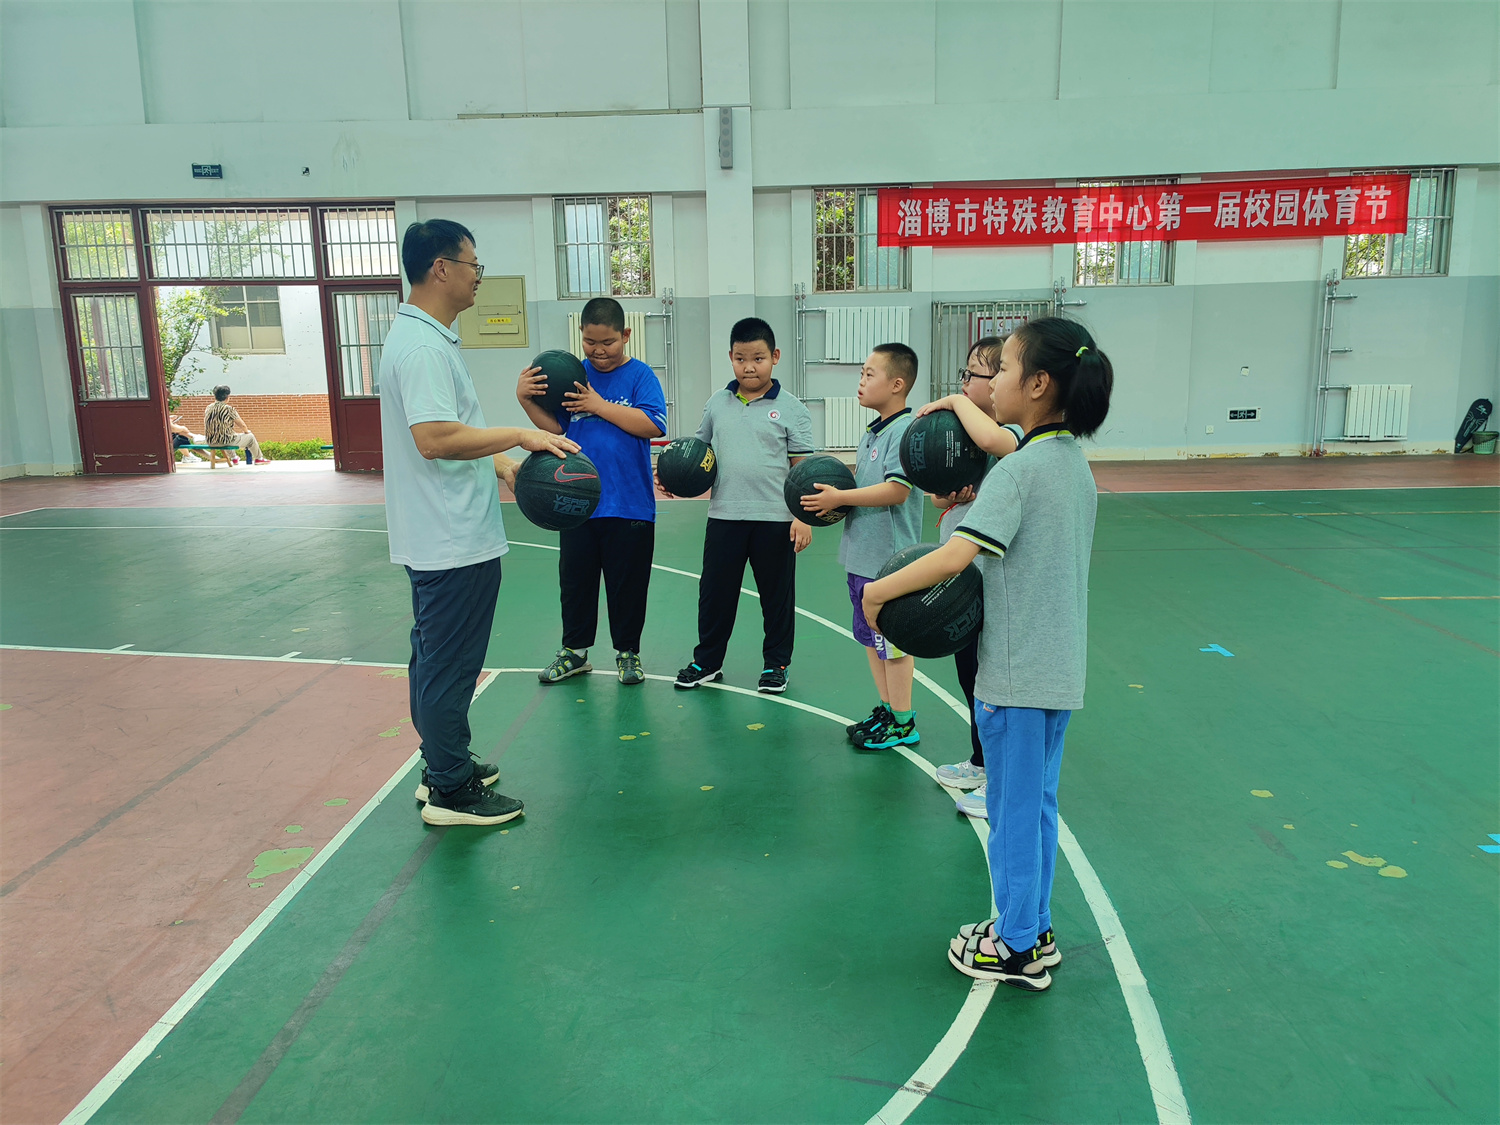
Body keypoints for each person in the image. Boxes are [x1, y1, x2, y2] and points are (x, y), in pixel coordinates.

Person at [860, 317, 1113, 991]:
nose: (990, 381)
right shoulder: (1070, 464)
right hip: (1057, 669)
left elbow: (953, 556)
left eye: (1002, 369)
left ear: (1038, 384)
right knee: (1036, 805)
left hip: (1016, 674)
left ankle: (1016, 946)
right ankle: (1033, 926)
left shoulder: (1020, 471)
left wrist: (878, 593)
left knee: (1012, 813)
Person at [381, 218, 579, 827]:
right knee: (449, 666)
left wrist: (503, 466)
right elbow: (435, 439)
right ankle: (450, 790)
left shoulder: (426, 338)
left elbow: (451, 430)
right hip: (450, 538)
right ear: (441, 268)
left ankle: (442, 762)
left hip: (442, 530)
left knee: (434, 659)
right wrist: (521, 434)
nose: (478, 278)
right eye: (473, 265)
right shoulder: (422, 348)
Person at [516, 297, 667, 686]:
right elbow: (557, 427)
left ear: (625, 335)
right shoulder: (572, 375)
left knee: (627, 586)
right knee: (575, 582)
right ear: (580, 335)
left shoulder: (640, 375)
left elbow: (654, 424)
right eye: (590, 342)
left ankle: (628, 653)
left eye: (608, 342)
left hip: (630, 503)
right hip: (576, 502)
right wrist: (525, 400)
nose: (599, 351)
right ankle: (575, 652)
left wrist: (598, 405)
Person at [667, 317, 814, 694]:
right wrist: (675, 476)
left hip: (775, 520)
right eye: (740, 358)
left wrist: (802, 518)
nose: (749, 367)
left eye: (758, 358)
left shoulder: (793, 409)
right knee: (715, 595)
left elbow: (802, 469)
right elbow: (698, 453)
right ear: (730, 357)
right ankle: (707, 661)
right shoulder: (717, 403)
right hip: (724, 516)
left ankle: (776, 664)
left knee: (777, 599)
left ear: (775, 357)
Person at [799, 342, 926, 751]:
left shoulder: (905, 432)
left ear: (897, 384)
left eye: (869, 374)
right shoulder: (873, 430)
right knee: (872, 642)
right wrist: (832, 503)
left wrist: (840, 497)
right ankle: (888, 710)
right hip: (861, 560)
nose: (861, 381)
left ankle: (904, 722)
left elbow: (896, 491)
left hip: (889, 563)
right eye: (861, 374)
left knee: (893, 645)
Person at [919, 337, 1022, 818]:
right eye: (962, 376)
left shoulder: (1010, 432)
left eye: (972, 376)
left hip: (989, 581)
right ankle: (982, 762)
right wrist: (952, 495)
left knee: (990, 683)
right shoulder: (964, 437)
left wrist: (953, 401)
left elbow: (997, 443)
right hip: (962, 581)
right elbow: (940, 496)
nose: (963, 384)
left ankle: (1000, 780)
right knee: (969, 676)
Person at [203, 386, 267, 465]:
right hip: (225, 441)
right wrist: (246, 432)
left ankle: (234, 458)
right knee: (250, 437)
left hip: (211, 441)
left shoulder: (208, 408)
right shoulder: (228, 409)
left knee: (228, 436)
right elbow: (242, 425)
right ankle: (259, 458)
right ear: (227, 397)